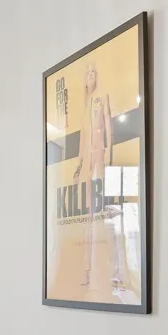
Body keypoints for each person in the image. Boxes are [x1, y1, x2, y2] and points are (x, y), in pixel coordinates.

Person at [71, 61, 123, 290]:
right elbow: (82, 140)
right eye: (88, 73)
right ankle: (86, 271)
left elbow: (109, 128)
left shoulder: (103, 98)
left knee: (106, 214)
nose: (91, 76)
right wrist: (78, 165)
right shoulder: (83, 107)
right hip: (88, 161)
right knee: (87, 219)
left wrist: (109, 156)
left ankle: (116, 272)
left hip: (101, 158)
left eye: (94, 72)